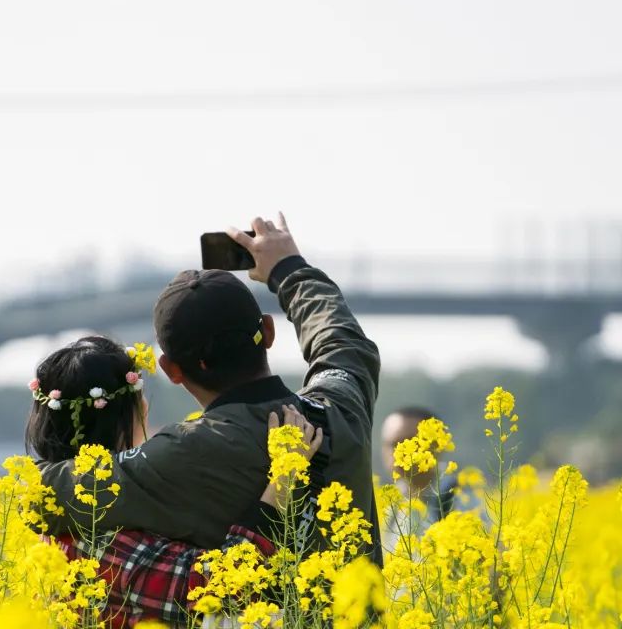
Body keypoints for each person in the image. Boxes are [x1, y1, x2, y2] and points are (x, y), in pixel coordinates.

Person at [37, 213, 382, 562]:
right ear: (269, 331)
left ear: (171, 370)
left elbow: (38, 494)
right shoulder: (343, 406)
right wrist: (288, 267)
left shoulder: (185, 452)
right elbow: (340, 340)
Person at [26, 335, 323, 627]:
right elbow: (221, 589)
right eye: (139, 400)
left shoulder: (62, 514)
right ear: (131, 413)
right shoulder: (94, 540)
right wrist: (282, 479)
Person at [378, 406, 457, 553]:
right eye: (393, 444)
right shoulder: (391, 502)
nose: (400, 452)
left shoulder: (458, 497)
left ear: (435, 445)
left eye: (411, 442)